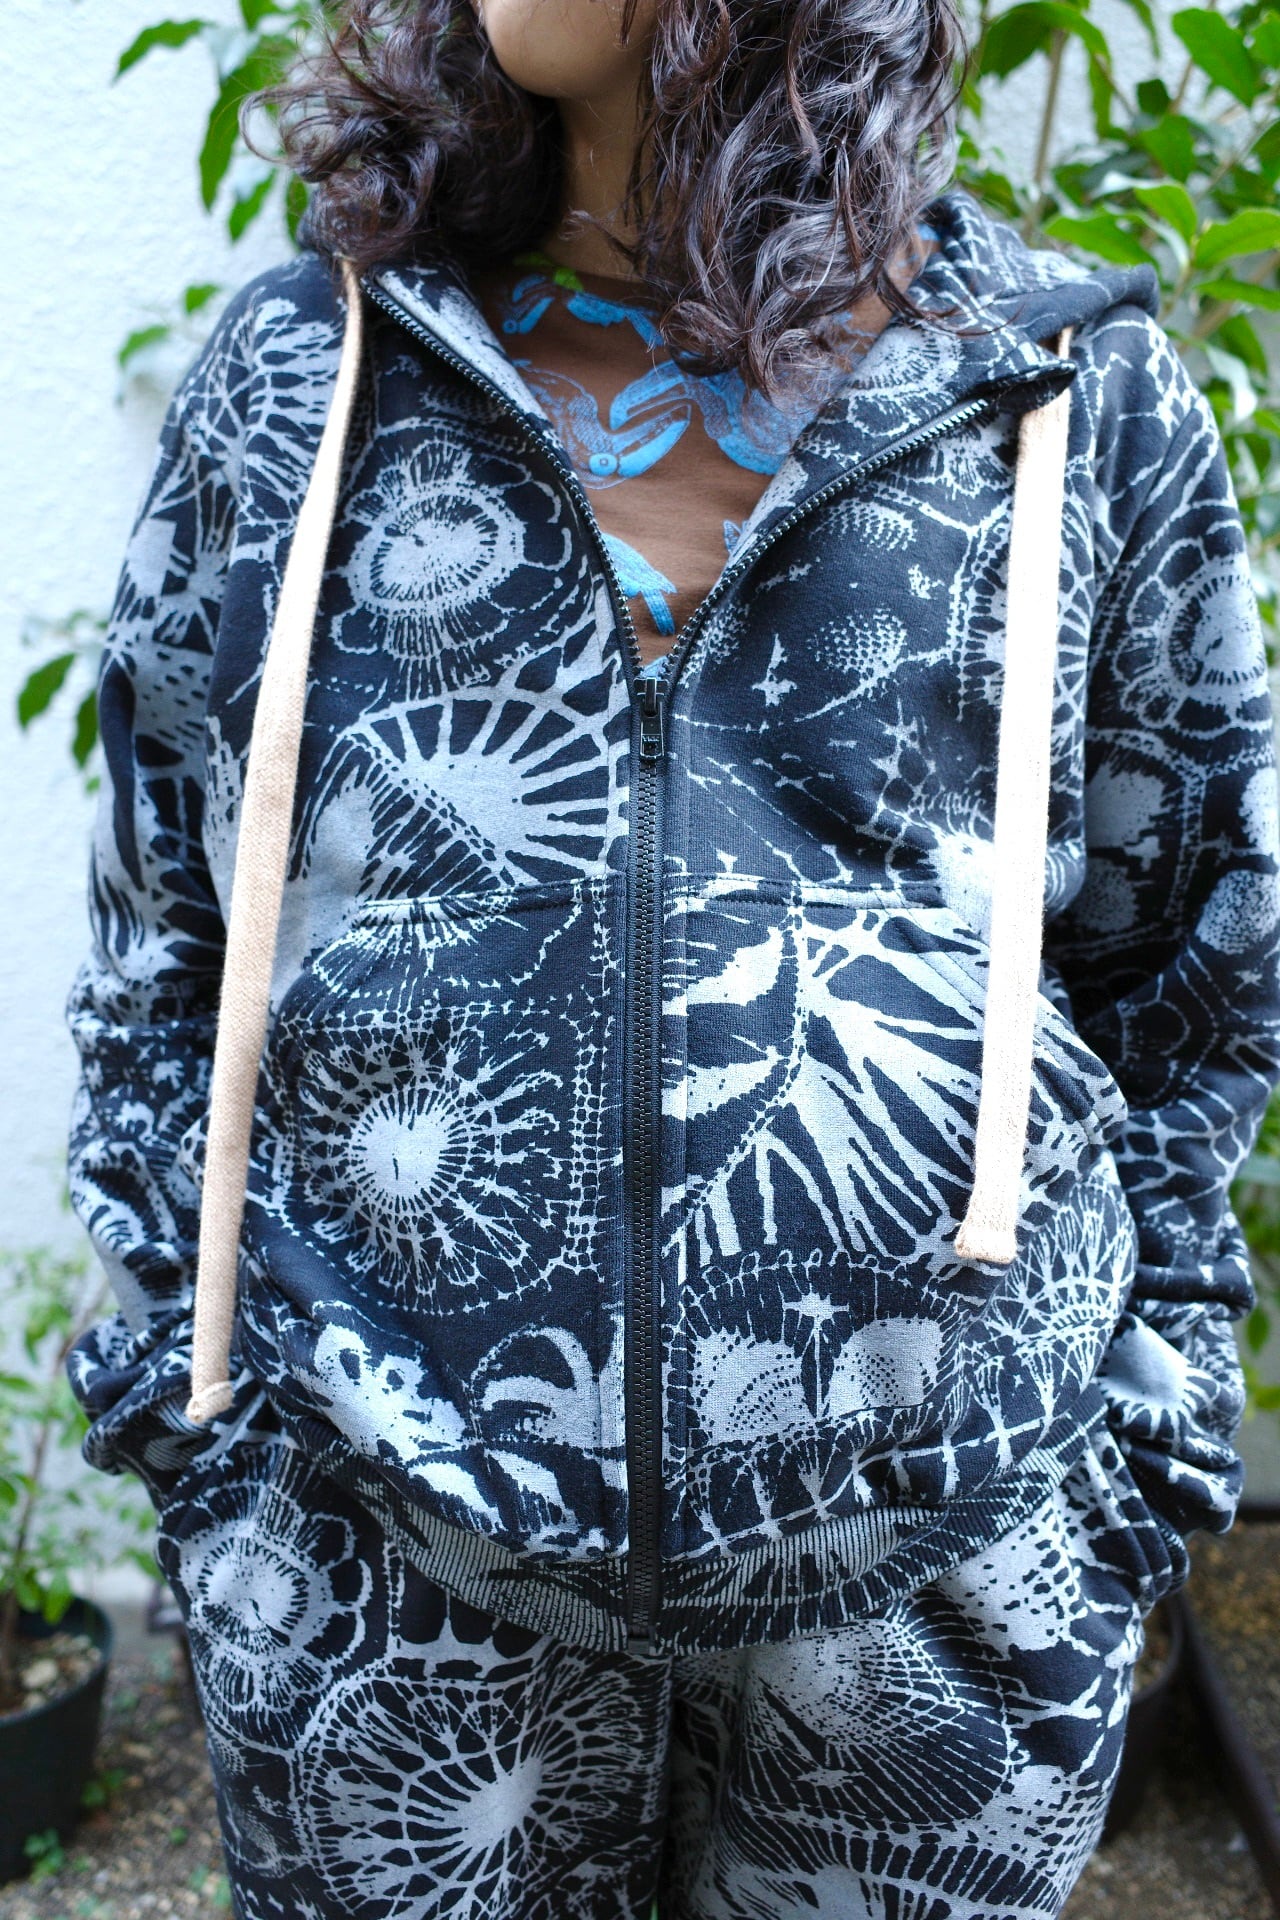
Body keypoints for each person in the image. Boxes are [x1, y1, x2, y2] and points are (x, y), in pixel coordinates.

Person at [62, 0, 1280, 1911]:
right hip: (380, 1575)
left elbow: (1194, 964)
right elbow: (165, 937)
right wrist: (205, 1443)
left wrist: (1131, 1460)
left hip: (931, 1593)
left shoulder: (1059, 387)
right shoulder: (308, 368)